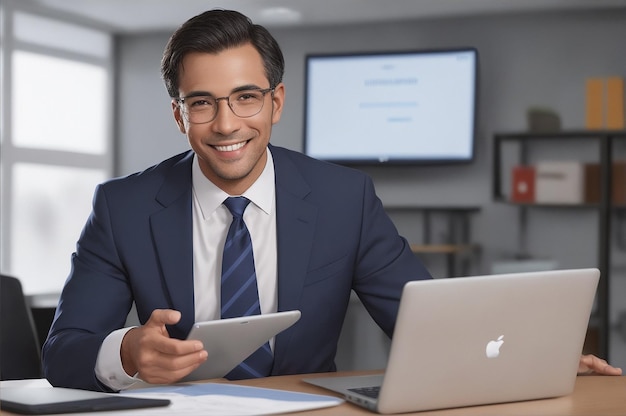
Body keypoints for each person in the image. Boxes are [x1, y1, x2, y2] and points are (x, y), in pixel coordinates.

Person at [41, 9, 620, 392]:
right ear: (178, 114)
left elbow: (430, 321)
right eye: (202, 103)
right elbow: (62, 353)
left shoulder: (345, 198)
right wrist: (127, 354)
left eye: (246, 97)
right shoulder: (123, 206)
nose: (226, 124)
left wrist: (532, 358)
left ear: (276, 102)